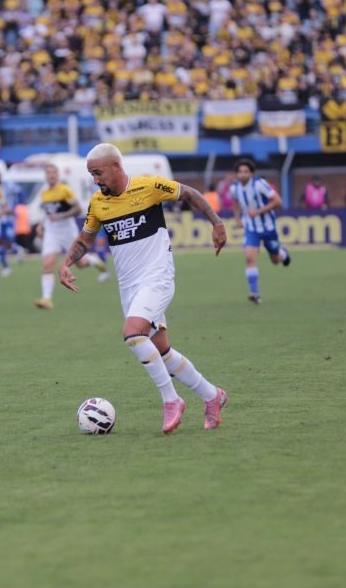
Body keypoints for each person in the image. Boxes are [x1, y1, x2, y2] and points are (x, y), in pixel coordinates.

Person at [59, 143, 229, 434]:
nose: (95, 180)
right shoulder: (98, 202)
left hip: (157, 278)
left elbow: (190, 193)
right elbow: (86, 239)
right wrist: (66, 264)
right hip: (129, 287)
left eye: (98, 173)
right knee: (162, 351)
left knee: (132, 334)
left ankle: (171, 400)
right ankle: (213, 396)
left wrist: (216, 223)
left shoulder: (148, 187)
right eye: (91, 175)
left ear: (116, 167)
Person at [34, 164, 105, 309]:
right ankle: (46, 299)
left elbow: (78, 209)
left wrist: (60, 216)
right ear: (46, 176)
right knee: (47, 263)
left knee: (80, 264)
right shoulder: (44, 193)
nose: (51, 176)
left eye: (53, 173)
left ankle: (92, 260)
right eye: (49, 173)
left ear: (57, 175)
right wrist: (41, 225)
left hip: (67, 230)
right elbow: (47, 213)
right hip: (52, 232)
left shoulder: (65, 190)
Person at [230, 159, 291, 305]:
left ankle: (283, 253)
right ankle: (255, 293)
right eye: (240, 172)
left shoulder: (259, 184)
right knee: (249, 258)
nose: (242, 174)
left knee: (275, 260)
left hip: (268, 227)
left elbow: (278, 201)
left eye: (246, 171)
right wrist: (237, 218)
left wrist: (258, 211)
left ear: (251, 173)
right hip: (251, 229)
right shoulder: (235, 188)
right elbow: (235, 202)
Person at [0, 169, 22, 276]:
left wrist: (13, 208)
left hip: (8, 218)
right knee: (0, 244)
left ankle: (14, 253)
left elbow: (20, 194)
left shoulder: (8, 186)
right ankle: (7, 264)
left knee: (6, 243)